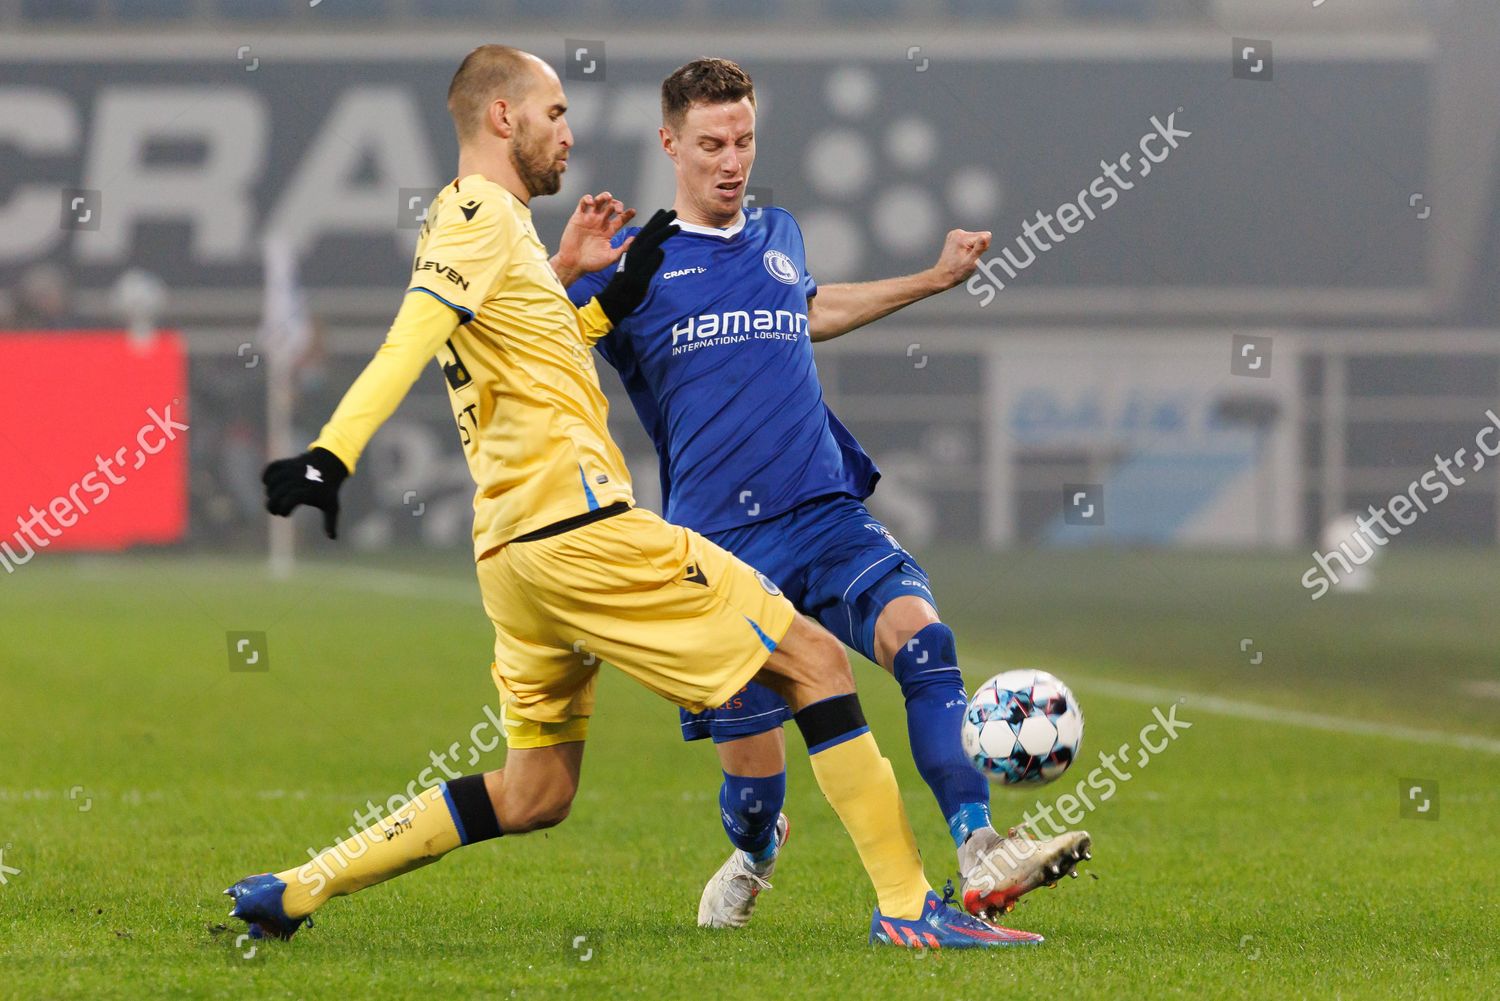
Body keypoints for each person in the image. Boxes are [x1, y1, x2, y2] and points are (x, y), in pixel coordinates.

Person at [226, 44, 1036, 950]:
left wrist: (590, 285)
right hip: (580, 527)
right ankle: (908, 906)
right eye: (555, 113)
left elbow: (547, 353)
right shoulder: (474, 214)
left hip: (510, 556)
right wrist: (329, 455)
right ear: (503, 118)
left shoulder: (517, 244)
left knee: (536, 792)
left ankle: (298, 887)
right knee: (818, 663)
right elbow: (412, 333)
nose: (569, 132)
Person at [566, 58, 1090, 929]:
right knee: (756, 784)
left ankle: (981, 849)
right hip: (716, 551)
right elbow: (522, 339)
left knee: (925, 644)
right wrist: (560, 269)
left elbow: (806, 308)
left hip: (823, 511)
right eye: (710, 145)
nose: (731, 161)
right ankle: (756, 850)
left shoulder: (779, 232)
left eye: (744, 140)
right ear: (668, 143)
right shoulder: (630, 264)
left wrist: (930, 279)